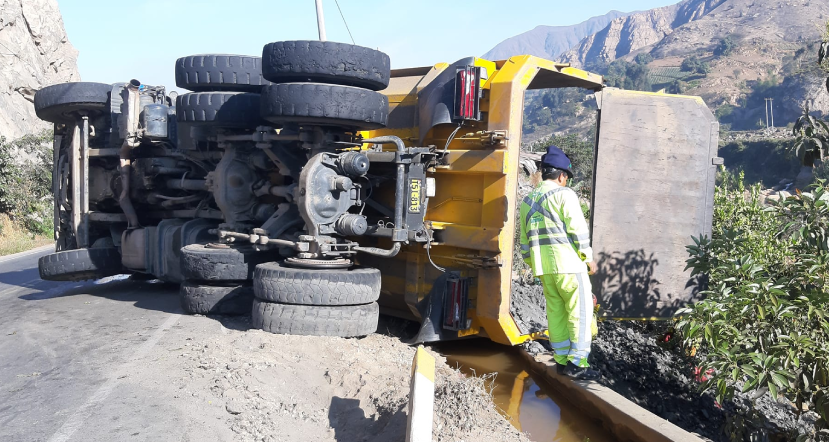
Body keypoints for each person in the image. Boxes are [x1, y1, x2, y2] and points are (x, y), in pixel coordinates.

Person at [519, 145, 600, 380]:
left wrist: (536, 264)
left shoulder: (527, 201)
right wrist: (589, 258)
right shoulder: (564, 195)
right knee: (580, 313)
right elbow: (578, 232)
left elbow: (525, 245)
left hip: (544, 271)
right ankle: (578, 363)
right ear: (562, 176)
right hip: (569, 267)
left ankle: (563, 360)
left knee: (556, 313)